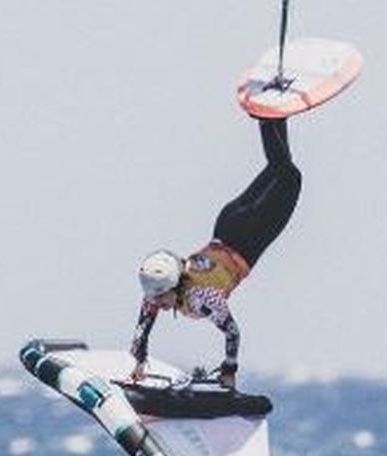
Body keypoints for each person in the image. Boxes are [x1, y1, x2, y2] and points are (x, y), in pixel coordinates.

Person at [129, 116, 301, 390]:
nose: (157, 305)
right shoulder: (160, 290)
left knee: (289, 175)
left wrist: (229, 371)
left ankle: (270, 114)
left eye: (161, 298)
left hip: (248, 237)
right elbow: (142, 328)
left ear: (174, 285)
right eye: (155, 299)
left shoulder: (201, 297)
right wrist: (138, 363)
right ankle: (272, 115)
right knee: (280, 169)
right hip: (228, 223)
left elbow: (232, 331)